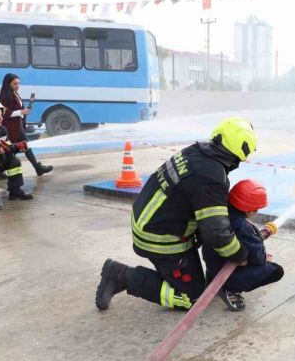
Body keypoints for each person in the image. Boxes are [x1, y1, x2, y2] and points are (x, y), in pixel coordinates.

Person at [95, 117, 257, 311]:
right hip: (160, 238)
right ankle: (121, 275)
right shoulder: (211, 177)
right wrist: (240, 255)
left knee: (201, 272)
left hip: (150, 220)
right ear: (240, 152)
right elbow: (215, 232)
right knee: (194, 298)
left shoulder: (197, 152)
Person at [203, 179, 284, 311]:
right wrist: (264, 258)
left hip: (213, 265)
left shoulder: (219, 215)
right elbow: (257, 258)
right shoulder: (244, 227)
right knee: (276, 271)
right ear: (249, 210)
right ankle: (230, 289)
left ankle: (213, 279)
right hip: (227, 274)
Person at [0, 73, 52, 176]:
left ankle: (37, 168)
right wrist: (21, 112)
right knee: (15, 148)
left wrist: (23, 112)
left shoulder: (14, 93)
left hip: (17, 126)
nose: (18, 86)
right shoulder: (5, 96)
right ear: (8, 84)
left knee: (23, 147)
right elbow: (5, 113)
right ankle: (37, 168)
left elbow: (17, 110)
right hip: (11, 127)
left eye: (18, 83)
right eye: (15, 84)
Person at [0, 99, 33, 200]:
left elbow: (8, 147)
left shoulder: (3, 130)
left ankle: (15, 191)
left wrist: (18, 148)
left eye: (1, 115)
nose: (1, 118)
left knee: (14, 162)